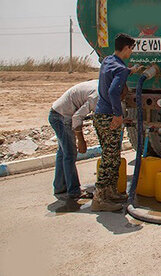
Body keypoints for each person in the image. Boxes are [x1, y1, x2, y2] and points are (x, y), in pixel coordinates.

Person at [91, 33, 140, 212]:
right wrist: (118, 115)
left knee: (111, 155)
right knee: (109, 159)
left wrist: (131, 70)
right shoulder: (120, 68)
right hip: (109, 116)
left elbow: (116, 72)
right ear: (126, 48)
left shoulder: (108, 61)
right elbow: (113, 92)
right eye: (131, 49)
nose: (131, 53)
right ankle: (99, 199)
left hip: (100, 115)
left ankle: (110, 193)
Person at [49, 79, 98, 199]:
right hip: (62, 117)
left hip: (56, 113)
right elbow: (77, 117)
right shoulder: (97, 95)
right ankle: (74, 191)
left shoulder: (98, 83)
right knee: (70, 153)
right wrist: (81, 141)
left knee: (63, 153)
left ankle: (60, 187)